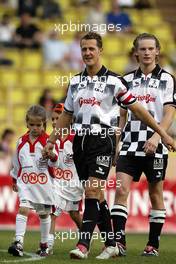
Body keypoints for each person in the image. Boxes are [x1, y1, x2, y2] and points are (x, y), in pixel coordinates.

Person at [42, 32, 176, 260]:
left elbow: (151, 110)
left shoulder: (127, 81)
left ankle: (88, 244)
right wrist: (52, 139)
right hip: (99, 142)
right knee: (106, 193)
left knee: (147, 193)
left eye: (91, 49)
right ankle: (114, 242)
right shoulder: (85, 81)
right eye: (84, 49)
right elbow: (71, 114)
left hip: (122, 141)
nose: (87, 53)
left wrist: (160, 134)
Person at [111, 33, 176, 257]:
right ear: (135, 52)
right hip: (129, 144)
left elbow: (169, 112)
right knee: (120, 190)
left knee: (156, 194)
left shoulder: (168, 78)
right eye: (143, 49)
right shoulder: (126, 80)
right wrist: (116, 144)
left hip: (156, 144)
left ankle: (152, 245)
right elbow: (121, 116)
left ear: (157, 51)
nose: (147, 53)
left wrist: (158, 137)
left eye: (151, 49)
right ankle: (119, 244)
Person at [8, 105, 58, 257]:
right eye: (32, 125)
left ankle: (44, 245)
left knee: (44, 215)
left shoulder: (48, 142)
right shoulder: (21, 141)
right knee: (23, 209)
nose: (35, 128)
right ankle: (18, 242)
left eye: (38, 125)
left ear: (44, 124)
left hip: (43, 184)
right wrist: (15, 178)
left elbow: (55, 162)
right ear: (27, 124)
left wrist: (50, 156)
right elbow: (16, 162)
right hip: (26, 183)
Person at [48, 103, 83, 254]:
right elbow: (53, 162)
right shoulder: (52, 139)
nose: (55, 122)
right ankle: (47, 245)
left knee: (74, 214)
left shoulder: (76, 137)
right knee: (52, 211)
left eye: (58, 118)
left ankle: (85, 238)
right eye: (53, 119)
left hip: (75, 184)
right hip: (58, 183)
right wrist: (51, 156)